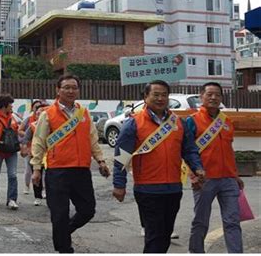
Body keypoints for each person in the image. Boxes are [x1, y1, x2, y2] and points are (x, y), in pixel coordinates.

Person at [112, 80, 206, 253]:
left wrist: (197, 167)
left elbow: (190, 150)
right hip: (148, 189)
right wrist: (119, 185)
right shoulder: (134, 123)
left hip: (173, 189)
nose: (160, 98)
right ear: (145, 97)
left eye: (164, 95)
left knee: (165, 235)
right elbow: (121, 157)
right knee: (154, 236)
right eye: (156, 94)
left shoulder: (178, 123)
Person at [30, 74, 110, 253]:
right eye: (66, 87)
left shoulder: (84, 113)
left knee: (88, 210)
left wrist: (101, 160)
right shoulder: (48, 114)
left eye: (74, 87)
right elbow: (39, 141)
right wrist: (36, 168)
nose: (70, 90)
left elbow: (92, 139)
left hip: (81, 170)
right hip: (57, 171)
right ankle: (64, 249)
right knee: (59, 215)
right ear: (58, 90)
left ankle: (64, 233)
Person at [187, 82, 244, 253]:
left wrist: (236, 175)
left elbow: (229, 150)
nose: (213, 97)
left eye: (217, 94)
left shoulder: (226, 122)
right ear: (201, 96)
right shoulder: (192, 121)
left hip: (228, 179)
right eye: (209, 94)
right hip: (205, 179)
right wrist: (193, 175)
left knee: (233, 221)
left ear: (221, 97)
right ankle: (196, 251)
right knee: (201, 221)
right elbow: (188, 152)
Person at [21, 102, 48, 206]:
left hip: (49, 155)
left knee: (49, 176)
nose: (39, 115)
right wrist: (24, 148)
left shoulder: (52, 125)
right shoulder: (32, 126)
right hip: (36, 154)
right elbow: (25, 138)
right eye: (38, 113)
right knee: (37, 175)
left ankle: (47, 192)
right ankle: (37, 196)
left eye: (42, 113)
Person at [19, 100, 43, 195]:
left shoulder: (45, 119)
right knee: (29, 170)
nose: (37, 108)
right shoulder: (28, 120)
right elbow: (20, 130)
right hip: (30, 148)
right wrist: (29, 136)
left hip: (41, 149)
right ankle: (27, 186)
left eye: (39, 107)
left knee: (43, 171)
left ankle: (42, 190)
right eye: (35, 107)